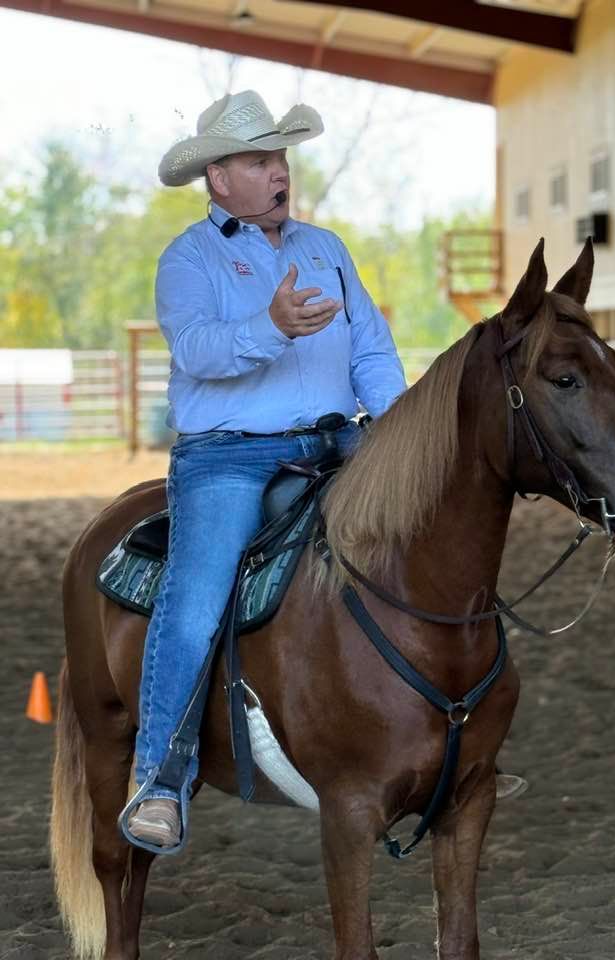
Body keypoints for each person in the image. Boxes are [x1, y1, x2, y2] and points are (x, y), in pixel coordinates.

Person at [126, 90, 408, 849]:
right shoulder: (189, 258)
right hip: (230, 455)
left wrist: (399, 433)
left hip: (340, 443)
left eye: (281, 157)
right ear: (218, 178)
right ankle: (160, 779)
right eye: (259, 161)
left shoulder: (328, 248)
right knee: (197, 595)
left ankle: (443, 737)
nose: (279, 172)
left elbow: (372, 350)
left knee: (431, 542)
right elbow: (198, 351)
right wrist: (272, 326)